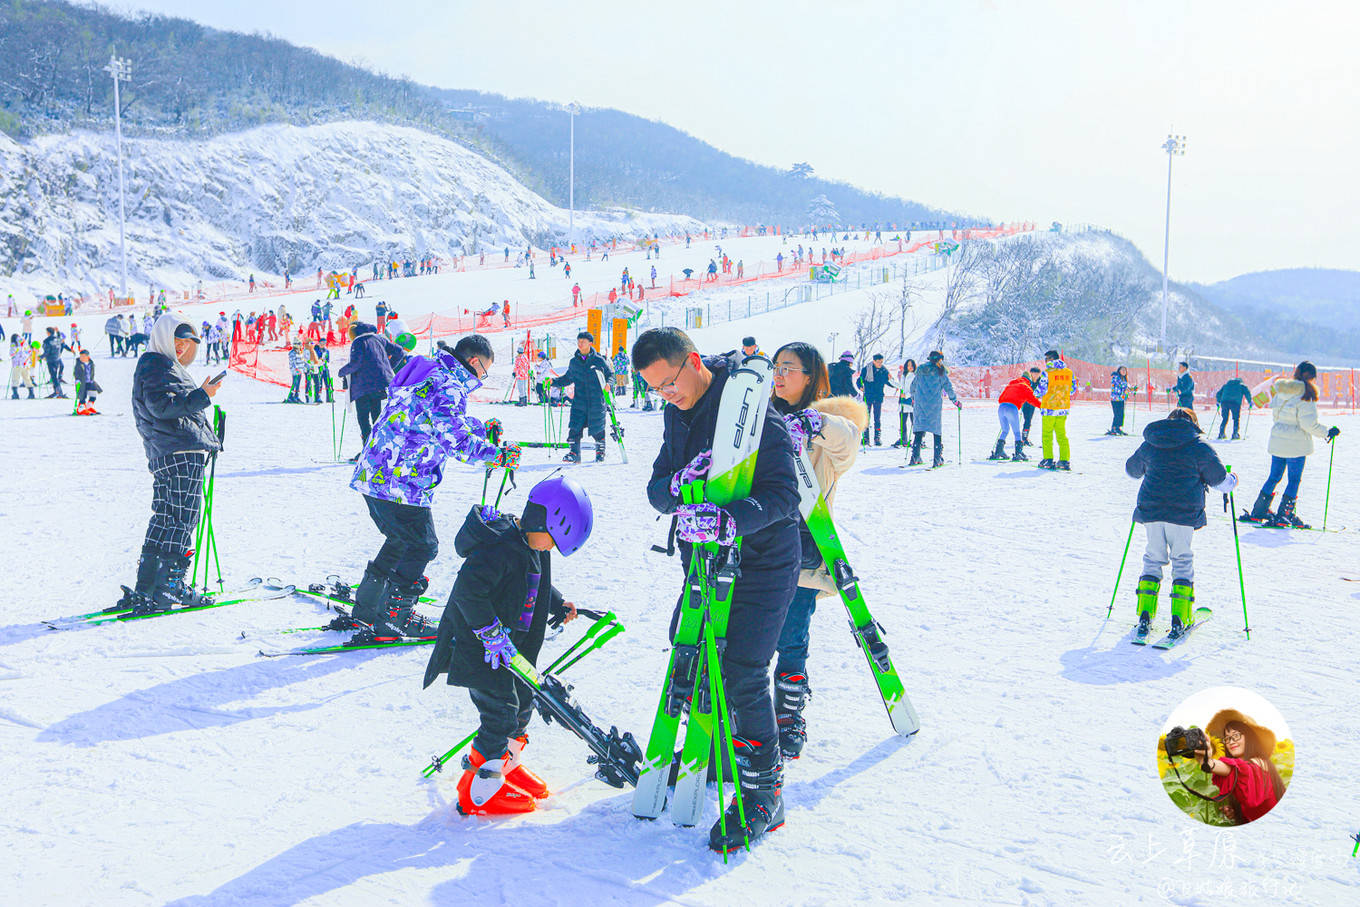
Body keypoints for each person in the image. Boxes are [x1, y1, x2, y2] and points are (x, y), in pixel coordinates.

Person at [632, 326, 800, 852]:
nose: (668, 395)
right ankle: (720, 756)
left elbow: (784, 493)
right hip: (705, 564)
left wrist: (729, 520)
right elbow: (659, 486)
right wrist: (680, 488)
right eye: (655, 389)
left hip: (762, 561)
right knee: (692, 655)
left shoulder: (746, 403)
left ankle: (762, 794)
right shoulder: (675, 410)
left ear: (694, 361)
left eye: (670, 382)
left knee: (741, 673)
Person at [421, 476, 591, 815]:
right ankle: (478, 790)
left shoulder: (534, 545)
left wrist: (558, 604)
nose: (552, 548)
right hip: (480, 650)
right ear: (542, 521)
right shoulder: (499, 548)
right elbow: (469, 592)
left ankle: (505, 768)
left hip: (514, 651)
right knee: (500, 714)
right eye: (553, 540)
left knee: (523, 704)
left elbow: (535, 583)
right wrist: (490, 633)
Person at [349, 334, 517, 642]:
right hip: (401, 480)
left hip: (376, 474)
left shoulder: (429, 370)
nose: (482, 378)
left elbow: (434, 420)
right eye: (484, 371)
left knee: (401, 540)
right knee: (423, 545)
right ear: (474, 361)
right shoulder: (448, 385)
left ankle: (367, 608)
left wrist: (482, 429)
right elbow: (457, 441)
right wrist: (499, 455)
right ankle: (394, 619)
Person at [769, 341, 866, 758]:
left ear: (812, 377)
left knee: (791, 638)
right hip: (756, 544)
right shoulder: (758, 418)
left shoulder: (831, 425)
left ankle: (788, 716)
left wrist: (815, 423)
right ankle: (743, 715)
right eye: (775, 367)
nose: (778, 375)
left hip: (803, 552)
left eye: (788, 368)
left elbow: (846, 444)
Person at [121, 315, 223, 614]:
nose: (180, 349)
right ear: (164, 339)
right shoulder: (157, 366)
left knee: (166, 516)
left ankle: (149, 585)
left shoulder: (161, 365)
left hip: (169, 451)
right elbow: (162, 407)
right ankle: (170, 585)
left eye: (185, 344)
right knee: (182, 517)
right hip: (179, 452)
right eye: (176, 343)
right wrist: (202, 395)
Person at [1124, 408, 1237, 639]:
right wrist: (1233, 480)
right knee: (1182, 559)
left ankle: (1145, 616)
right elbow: (1220, 481)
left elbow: (1131, 470)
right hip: (1183, 513)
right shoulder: (1199, 447)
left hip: (1152, 509)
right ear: (1192, 423)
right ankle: (1180, 617)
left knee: (1153, 558)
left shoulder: (1151, 443)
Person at [1240, 361, 1340, 529]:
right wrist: (1327, 432)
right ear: (1312, 377)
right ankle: (1284, 515)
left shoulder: (1282, 391)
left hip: (1278, 440)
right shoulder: (1305, 395)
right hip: (1296, 445)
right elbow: (1308, 424)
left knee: (1274, 477)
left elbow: (1276, 415)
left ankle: (1259, 511)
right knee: (1293, 480)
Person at [1191, 709, 1287, 825]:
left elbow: (1233, 769)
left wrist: (1207, 762)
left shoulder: (1258, 763)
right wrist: (1238, 811)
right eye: (1227, 738)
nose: (1231, 742)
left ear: (1250, 737)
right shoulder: (1253, 768)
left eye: (1236, 735)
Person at [337, 322, 405, 457]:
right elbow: (400, 351)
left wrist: (341, 371)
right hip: (381, 384)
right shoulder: (379, 338)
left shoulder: (358, 342)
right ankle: (381, 448)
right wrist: (387, 368)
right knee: (377, 417)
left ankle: (368, 451)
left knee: (363, 419)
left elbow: (355, 364)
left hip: (364, 386)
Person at [550, 331, 613, 463]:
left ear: (590, 343)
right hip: (579, 401)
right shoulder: (574, 362)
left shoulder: (598, 360)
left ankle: (600, 453)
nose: (580, 344)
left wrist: (608, 384)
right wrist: (553, 382)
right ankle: (574, 454)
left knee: (597, 429)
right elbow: (567, 378)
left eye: (583, 342)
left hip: (596, 401)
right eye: (579, 341)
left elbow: (610, 375)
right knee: (574, 428)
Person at [906, 350, 960, 467]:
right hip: (934, 405)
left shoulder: (920, 370)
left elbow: (912, 386)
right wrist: (955, 401)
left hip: (920, 404)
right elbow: (948, 388)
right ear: (940, 360)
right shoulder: (941, 372)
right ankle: (937, 458)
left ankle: (915, 456)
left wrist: (913, 397)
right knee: (936, 430)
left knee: (919, 429)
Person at [989, 371, 1043, 461]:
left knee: (1005, 430)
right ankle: (1018, 453)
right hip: (1012, 408)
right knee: (1017, 432)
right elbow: (1032, 399)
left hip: (1001, 408)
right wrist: (1042, 406)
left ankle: (998, 451)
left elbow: (1000, 398)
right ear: (1029, 379)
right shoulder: (1026, 386)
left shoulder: (1011, 384)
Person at [1036, 350, 1074, 470]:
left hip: (1049, 407)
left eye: (1046, 359)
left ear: (1050, 359)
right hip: (1062, 408)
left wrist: (1034, 394)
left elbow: (1041, 390)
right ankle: (1064, 460)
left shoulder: (1047, 373)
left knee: (1047, 434)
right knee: (1062, 435)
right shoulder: (1069, 372)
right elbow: (1072, 389)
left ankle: (1048, 458)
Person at [854, 353, 894, 445]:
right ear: (874, 361)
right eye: (878, 362)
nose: (880, 364)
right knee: (866, 417)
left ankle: (877, 438)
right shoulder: (866, 369)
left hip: (878, 396)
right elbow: (859, 380)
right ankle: (866, 438)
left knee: (877, 418)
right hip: (868, 396)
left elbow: (888, 381)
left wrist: (893, 383)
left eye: (881, 362)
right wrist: (860, 386)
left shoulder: (884, 370)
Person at [891, 359, 916, 448]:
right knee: (902, 422)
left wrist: (907, 395)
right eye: (908, 365)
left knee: (915, 422)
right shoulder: (904, 376)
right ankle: (903, 440)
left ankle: (919, 440)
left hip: (911, 402)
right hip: (903, 403)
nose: (910, 367)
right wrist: (891, 380)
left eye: (912, 365)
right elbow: (900, 386)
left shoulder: (915, 376)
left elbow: (915, 389)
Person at [41, 327, 70, 398]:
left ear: (48, 332)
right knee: (54, 376)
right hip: (57, 359)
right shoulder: (58, 339)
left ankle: (59, 392)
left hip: (50, 360)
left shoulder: (47, 341)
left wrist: (41, 357)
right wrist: (58, 332)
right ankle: (57, 391)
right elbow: (59, 337)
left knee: (53, 376)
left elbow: (47, 352)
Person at [1107, 366, 1135, 436]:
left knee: (1121, 414)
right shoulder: (1116, 377)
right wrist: (1127, 390)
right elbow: (1118, 387)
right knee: (1117, 414)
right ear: (1119, 371)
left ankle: (1118, 428)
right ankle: (1113, 428)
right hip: (1115, 399)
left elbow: (1125, 388)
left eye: (1125, 371)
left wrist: (1132, 389)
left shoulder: (1123, 379)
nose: (1124, 372)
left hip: (1121, 399)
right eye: (1122, 370)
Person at [72, 349, 103, 414]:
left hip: (90, 381)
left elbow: (92, 372)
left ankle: (89, 407)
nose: (81, 358)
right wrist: (77, 379)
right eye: (80, 356)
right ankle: (81, 409)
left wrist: (92, 379)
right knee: (83, 395)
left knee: (93, 393)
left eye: (83, 356)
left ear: (88, 357)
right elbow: (76, 373)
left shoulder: (91, 363)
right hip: (82, 382)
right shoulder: (78, 364)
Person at [8, 334, 36, 399]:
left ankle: (15, 394)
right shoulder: (24, 342)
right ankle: (31, 393)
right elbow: (29, 352)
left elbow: (12, 353)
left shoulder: (14, 344)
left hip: (17, 364)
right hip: (25, 364)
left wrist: (14, 356)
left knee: (15, 379)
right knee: (27, 378)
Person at [1020, 366, 1041, 446]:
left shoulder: (1040, 381)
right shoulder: (1028, 381)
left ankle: (1025, 437)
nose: (1035, 376)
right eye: (1033, 374)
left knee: (1029, 420)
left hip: (1033, 403)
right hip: (1025, 402)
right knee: (1027, 420)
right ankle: (1024, 438)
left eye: (1037, 374)